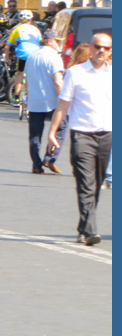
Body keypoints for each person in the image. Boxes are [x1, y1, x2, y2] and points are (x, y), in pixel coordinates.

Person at [46, 33, 112, 246]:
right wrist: (52, 132)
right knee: (86, 182)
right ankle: (91, 230)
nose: (102, 50)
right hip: (82, 134)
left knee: (97, 183)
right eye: (98, 46)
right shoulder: (76, 72)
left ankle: (84, 226)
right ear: (90, 48)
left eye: (107, 48)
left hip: (107, 135)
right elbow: (63, 105)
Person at [25, 29, 67, 174]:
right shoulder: (54, 57)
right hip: (52, 101)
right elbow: (58, 81)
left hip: (35, 101)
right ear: (50, 41)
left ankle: (36, 164)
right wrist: (63, 100)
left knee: (35, 134)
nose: (59, 44)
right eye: (57, 41)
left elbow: (27, 79)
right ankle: (49, 158)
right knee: (60, 128)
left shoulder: (32, 56)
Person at [5, 9, 41, 100]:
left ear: (20, 20)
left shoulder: (17, 29)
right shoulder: (36, 29)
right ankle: (29, 97)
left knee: (19, 74)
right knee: (30, 75)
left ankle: (16, 97)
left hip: (22, 54)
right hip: (34, 55)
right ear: (31, 20)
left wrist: (7, 59)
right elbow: (40, 43)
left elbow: (7, 47)